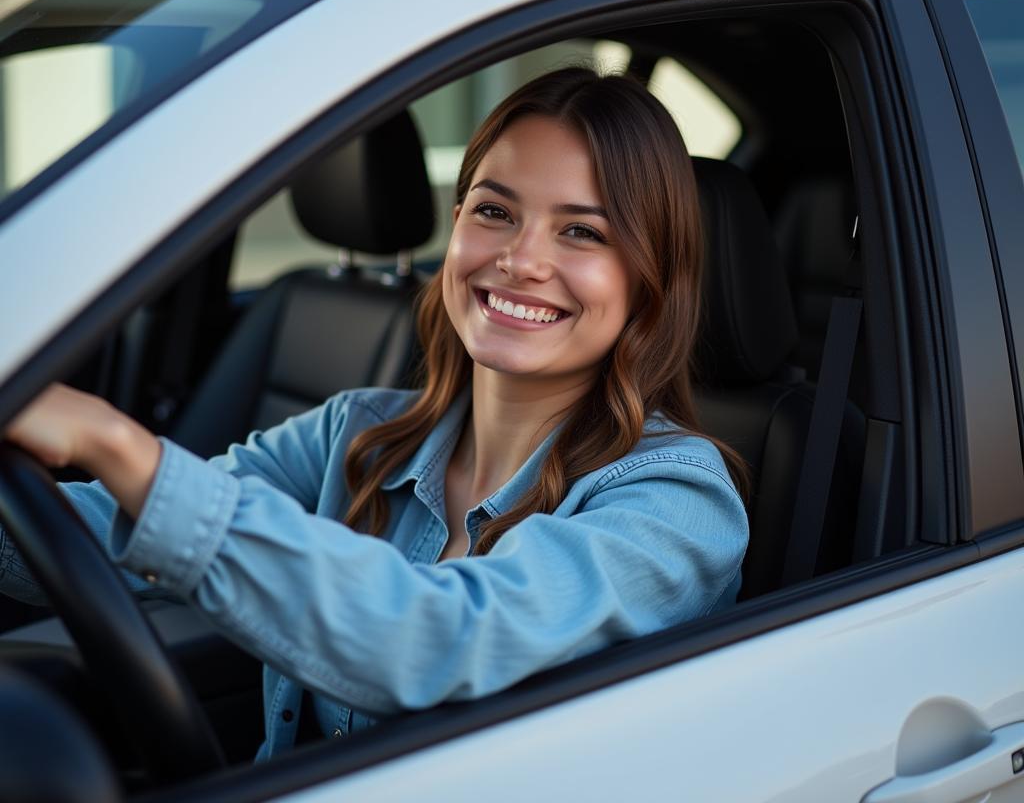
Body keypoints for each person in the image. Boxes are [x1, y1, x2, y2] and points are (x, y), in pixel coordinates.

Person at [1, 66, 750, 759]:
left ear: (650, 277)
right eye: (495, 212)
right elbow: (97, 535)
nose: (522, 260)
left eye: (581, 231)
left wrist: (115, 444)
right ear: (455, 226)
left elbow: (438, 640)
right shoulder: (357, 431)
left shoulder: (679, 503)